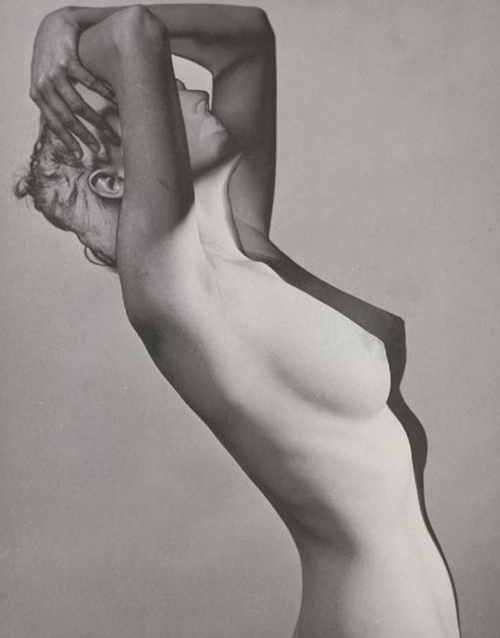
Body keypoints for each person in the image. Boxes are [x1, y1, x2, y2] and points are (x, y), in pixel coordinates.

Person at [17, 5, 462, 637]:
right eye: (159, 93)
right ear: (116, 179)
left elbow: (249, 39)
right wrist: (58, 31)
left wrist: (69, 20)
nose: (188, 89)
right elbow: (135, 31)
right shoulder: (173, 292)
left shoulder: (241, 239)